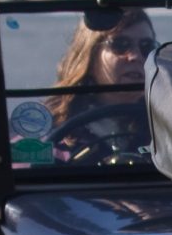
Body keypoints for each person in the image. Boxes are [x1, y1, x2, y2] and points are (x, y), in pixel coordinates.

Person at [43, 10, 155, 158]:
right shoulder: (48, 130)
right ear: (90, 55)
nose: (136, 56)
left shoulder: (168, 127)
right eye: (121, 45)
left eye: (147, 47)